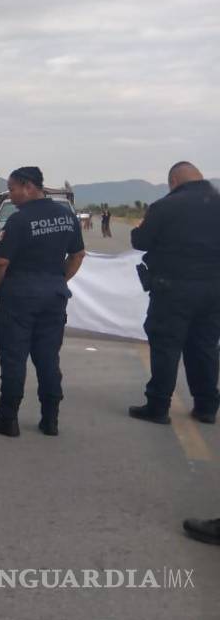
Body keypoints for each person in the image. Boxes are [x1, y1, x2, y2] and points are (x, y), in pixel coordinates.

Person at [0, 166, 85, 437]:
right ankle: (50, 420)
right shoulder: (66, 216)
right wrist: (57, 280)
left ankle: (8, 420)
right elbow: (77, 255)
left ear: (28, 186)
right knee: (48, 359)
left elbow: (0, 261)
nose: (12, 194)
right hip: (53, 296)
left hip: (19, 297)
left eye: (13, 188)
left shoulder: (19, 220)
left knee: (14, 359)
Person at [128, 162, 220, 427]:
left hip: (173, 289)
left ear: (174, 181)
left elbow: (140, 241)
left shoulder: (165, 207)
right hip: (214, 289)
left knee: (166, 346)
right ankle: (206, 407)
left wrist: (139, 227)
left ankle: (158, 406)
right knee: (204, 346)